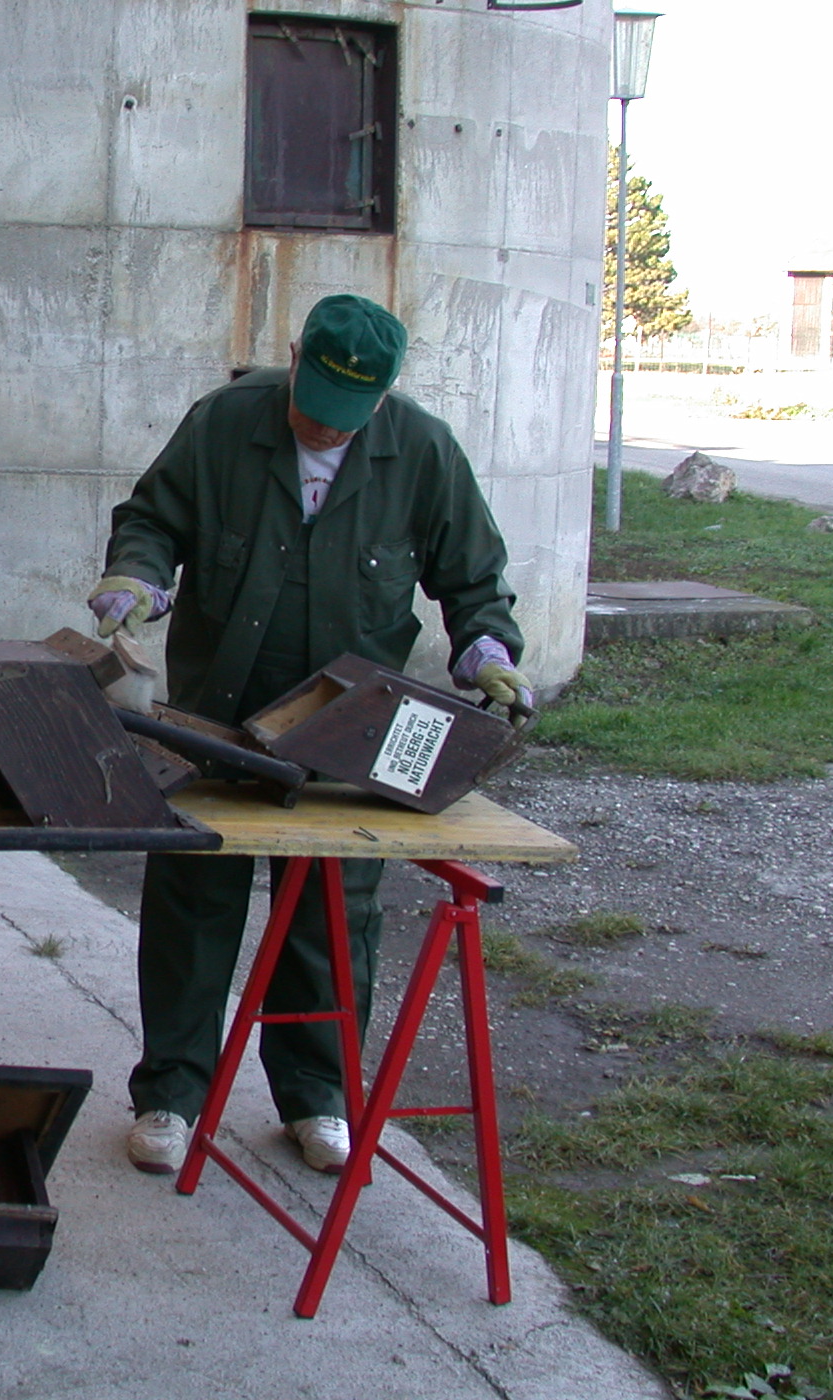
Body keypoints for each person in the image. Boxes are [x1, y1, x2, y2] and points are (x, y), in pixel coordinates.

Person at [88, 294, 530, 1176]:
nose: (326, 434)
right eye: (313, 413)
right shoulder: (225, 424)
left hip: (348, 738)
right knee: (193, 903)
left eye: (346, 423)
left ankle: (318, 1097)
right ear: (294, 360)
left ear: (383, 399)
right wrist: (135, 578)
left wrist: (488, 652)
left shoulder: (423, 451)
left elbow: (472, 577)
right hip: (213, 719)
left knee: (334, 914)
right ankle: (173, 1095)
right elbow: (153, 520)